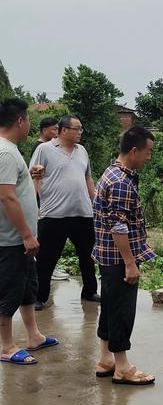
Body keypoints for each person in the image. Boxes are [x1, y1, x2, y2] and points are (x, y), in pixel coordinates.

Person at [92, 126, 155, 385]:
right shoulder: (120, 182)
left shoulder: (113, 173)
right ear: (134, 150)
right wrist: (130, 263)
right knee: (121, 310)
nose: (149, 157)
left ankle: (106, 359)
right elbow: (118, 226)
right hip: (119, 258)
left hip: (108, 256)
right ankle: (122, 367)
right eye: (148, 152)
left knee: (109, 306)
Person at [0, 98, 58, 365]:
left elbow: (17, 191)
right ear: (20, 121)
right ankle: (6, 346)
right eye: (28, 120)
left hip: (21, 239)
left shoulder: (10, 150)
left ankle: (33, 335)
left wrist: (34, 178)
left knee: (27, 287)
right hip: (11, 240)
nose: (29, 125)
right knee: (9, 290)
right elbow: (7, 198)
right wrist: (25, 234)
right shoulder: (6, 152)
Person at [29, 115, 99, 310]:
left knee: (88, 255)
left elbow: (88, 179)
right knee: (46, 258)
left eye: (81, 129)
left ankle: (89, 291)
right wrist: (32, 207)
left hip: (83, 213)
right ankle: (39, 296)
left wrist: (96, 204)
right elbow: (32, 175)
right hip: (53, 214)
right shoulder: (45, 149)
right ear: (64, 130)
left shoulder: (82, 151)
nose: (80, 132)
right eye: (77, 129)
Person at [31, 116, 69, 281]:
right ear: (45, 130)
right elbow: (36, 177)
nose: (56, 133)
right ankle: (46, 268)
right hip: (45, 203)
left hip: (47, 202)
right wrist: (40, 201)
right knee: (45, 238)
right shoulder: (41, 148)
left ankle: (47, 267)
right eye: (54, 129)